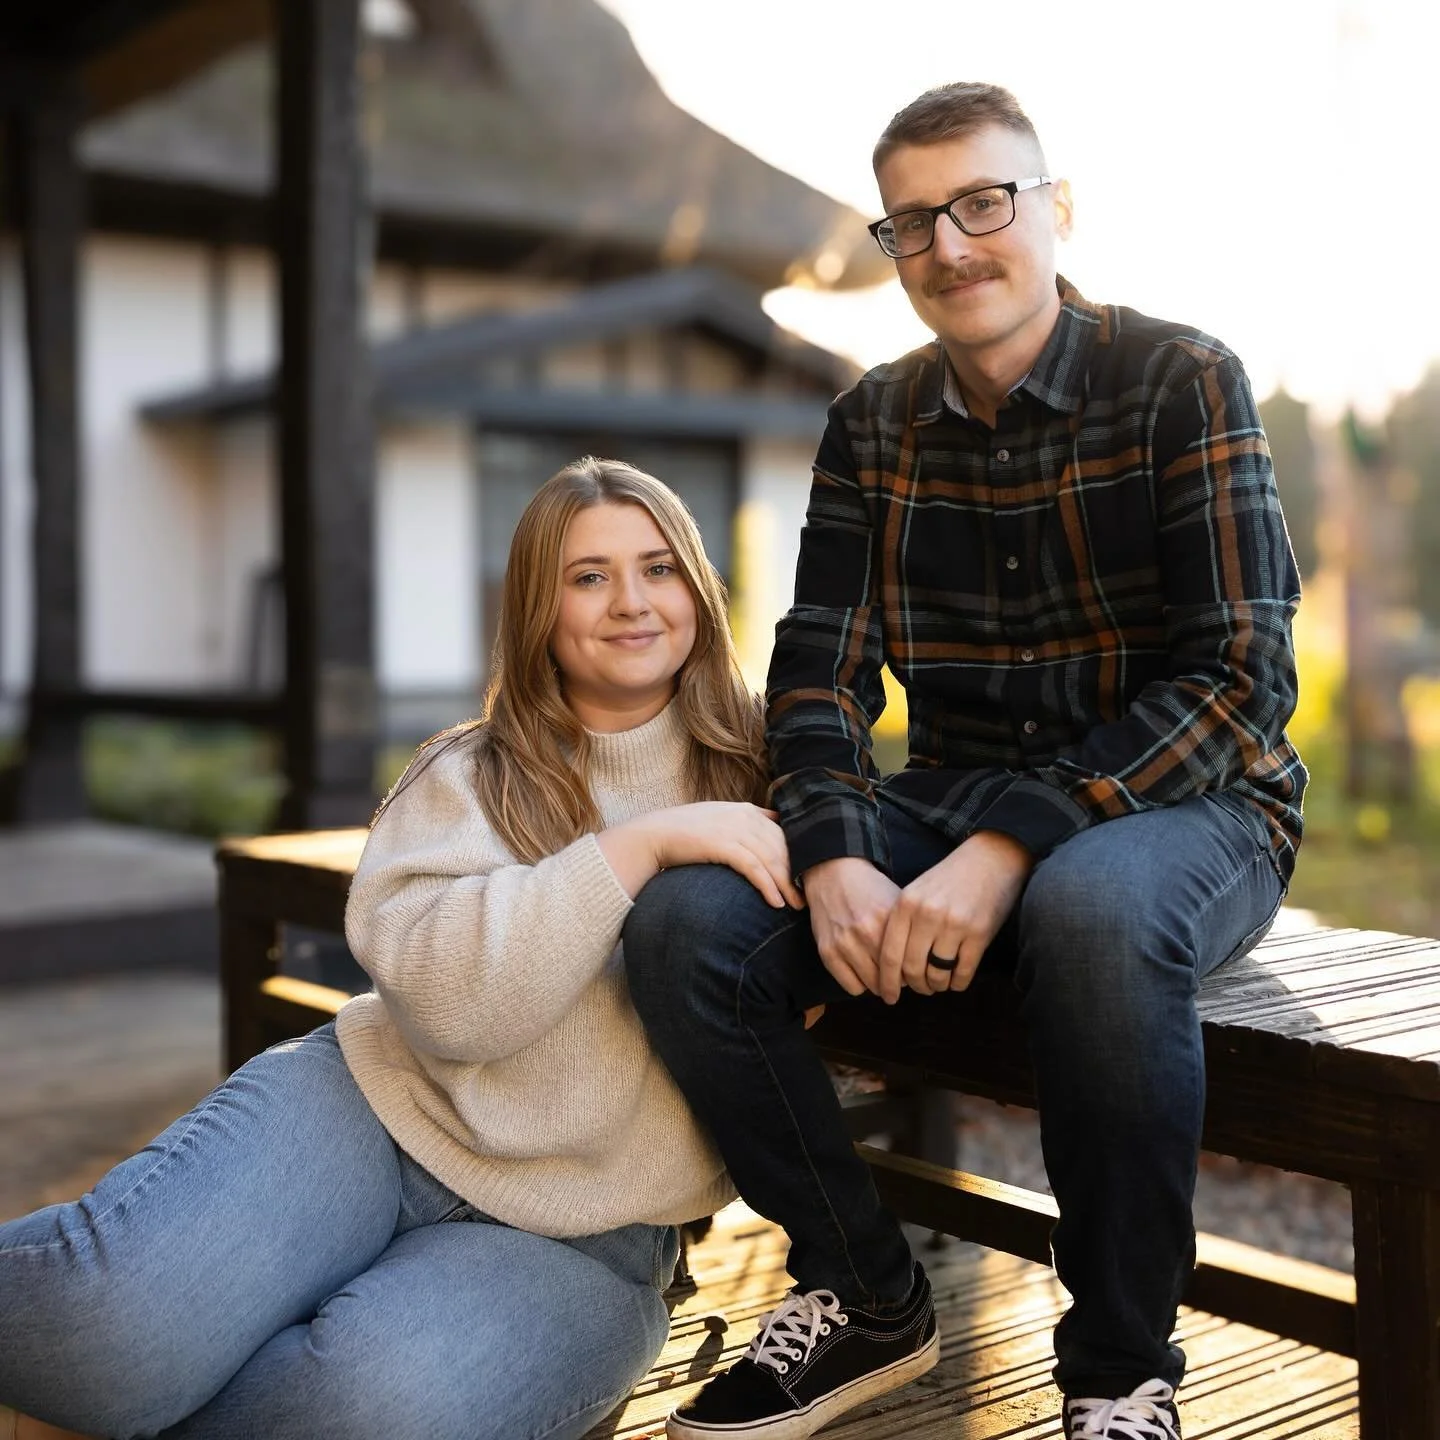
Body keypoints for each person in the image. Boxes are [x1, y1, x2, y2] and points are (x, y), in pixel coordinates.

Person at [623, 81, 1305, 1440]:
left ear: (1055, 209)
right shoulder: (872, 422)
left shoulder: (1184, 378)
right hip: (943, 802)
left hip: (1192, 807)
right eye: (912, 221)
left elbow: (1241, 683)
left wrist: (1010, 847)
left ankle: (1122, 1371)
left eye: (984, 202)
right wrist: (826, 856)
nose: (950, 245)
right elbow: (817, 670)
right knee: (685, 926)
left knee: (1093, 908)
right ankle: (867, 1292)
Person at [0, 456, 802, 1440]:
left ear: (697, 587)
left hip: (595, 1237)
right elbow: (451, 1012)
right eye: (588, 577)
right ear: (537, 607)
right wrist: (637, 849)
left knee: (364, 1412)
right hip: (369, 1116)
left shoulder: (778, 776)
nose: (631, 602)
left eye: (659, 567)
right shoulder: (467, 774)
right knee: (104, 1332)